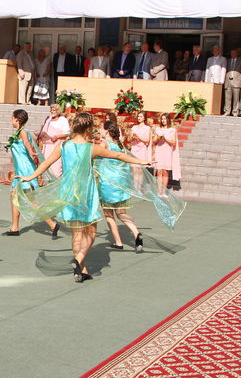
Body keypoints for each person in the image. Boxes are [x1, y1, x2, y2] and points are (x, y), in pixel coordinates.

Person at [17, 112, 150, 282]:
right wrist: (140, 161)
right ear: (88, 128)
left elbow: (46, 162)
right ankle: (79, 260)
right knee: (91, 232)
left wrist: (30, 177)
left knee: (76, 234)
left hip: (68, 194)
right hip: (86, 194)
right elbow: (118, 155)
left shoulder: (64, 146)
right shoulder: (91, 148)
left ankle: (82, 270)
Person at [4, 109, 59, 237]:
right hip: (20, 169)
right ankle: (14, 227)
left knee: (31, 201)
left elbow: (27, 143)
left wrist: (30, 152)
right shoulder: (20, 132)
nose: (11, 120)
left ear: (17, 119)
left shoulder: (23, 131)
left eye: (12, 118)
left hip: (25, 169)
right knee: (14, 196)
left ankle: (52, 224)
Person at [98, 120, 145, 252]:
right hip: (120, 182)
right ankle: (136, 233)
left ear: (106, 130)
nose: (100, 130)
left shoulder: (105, 144)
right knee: (121, 212)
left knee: (108, 214)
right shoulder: (120, 145)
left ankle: (118, 242)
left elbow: (96, 156)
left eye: (101, 128)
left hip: (108, 182)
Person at [37, 104, 70, 177]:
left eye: (54, 110)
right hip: (47, 146)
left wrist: (57, 136)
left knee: (56, 168)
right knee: (45, 165)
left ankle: (55, 183)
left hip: (56, 146)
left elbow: (67, 133)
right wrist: (39, 134)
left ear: (58, 111)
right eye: (51, 110)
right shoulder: (48, 119)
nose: (52, 111)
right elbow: (44, 131)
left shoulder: (62, 120)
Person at [153, 113, 181, 195]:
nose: (163, 120)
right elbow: (154, 141)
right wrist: (158, 138)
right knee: (159, 171)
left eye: (165, 119)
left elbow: (174, 143)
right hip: (159, 151)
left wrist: (165, 138)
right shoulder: (158, 129)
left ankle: (163, 192)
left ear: (168, 120)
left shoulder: (172, 130)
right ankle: (159, 192)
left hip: (167, 151)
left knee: (165, 172)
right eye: (162, 119)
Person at [224, 49, 241, 116]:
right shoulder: (227, 61)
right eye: (231, 53)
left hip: (237, 81)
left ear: (237, 54)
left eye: (234, 53)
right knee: (227, 97)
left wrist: (240, 79)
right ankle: (227, 111)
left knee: (236, 98)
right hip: (228, 80)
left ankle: (235, 111)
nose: (232, 54)